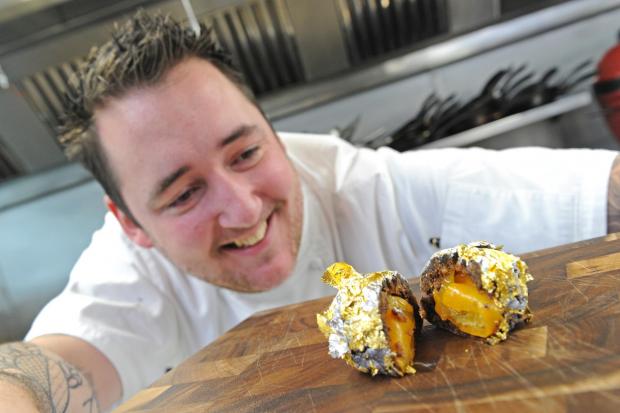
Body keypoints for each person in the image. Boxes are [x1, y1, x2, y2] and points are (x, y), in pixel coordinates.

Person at [1, 10, 619, 412]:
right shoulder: (126, 278)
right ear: (130, 223)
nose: (242, 209)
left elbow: (584, 191)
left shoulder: (358, 182)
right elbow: (50, 365)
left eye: (245, 152)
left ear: (275, 133)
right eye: (184, 194)